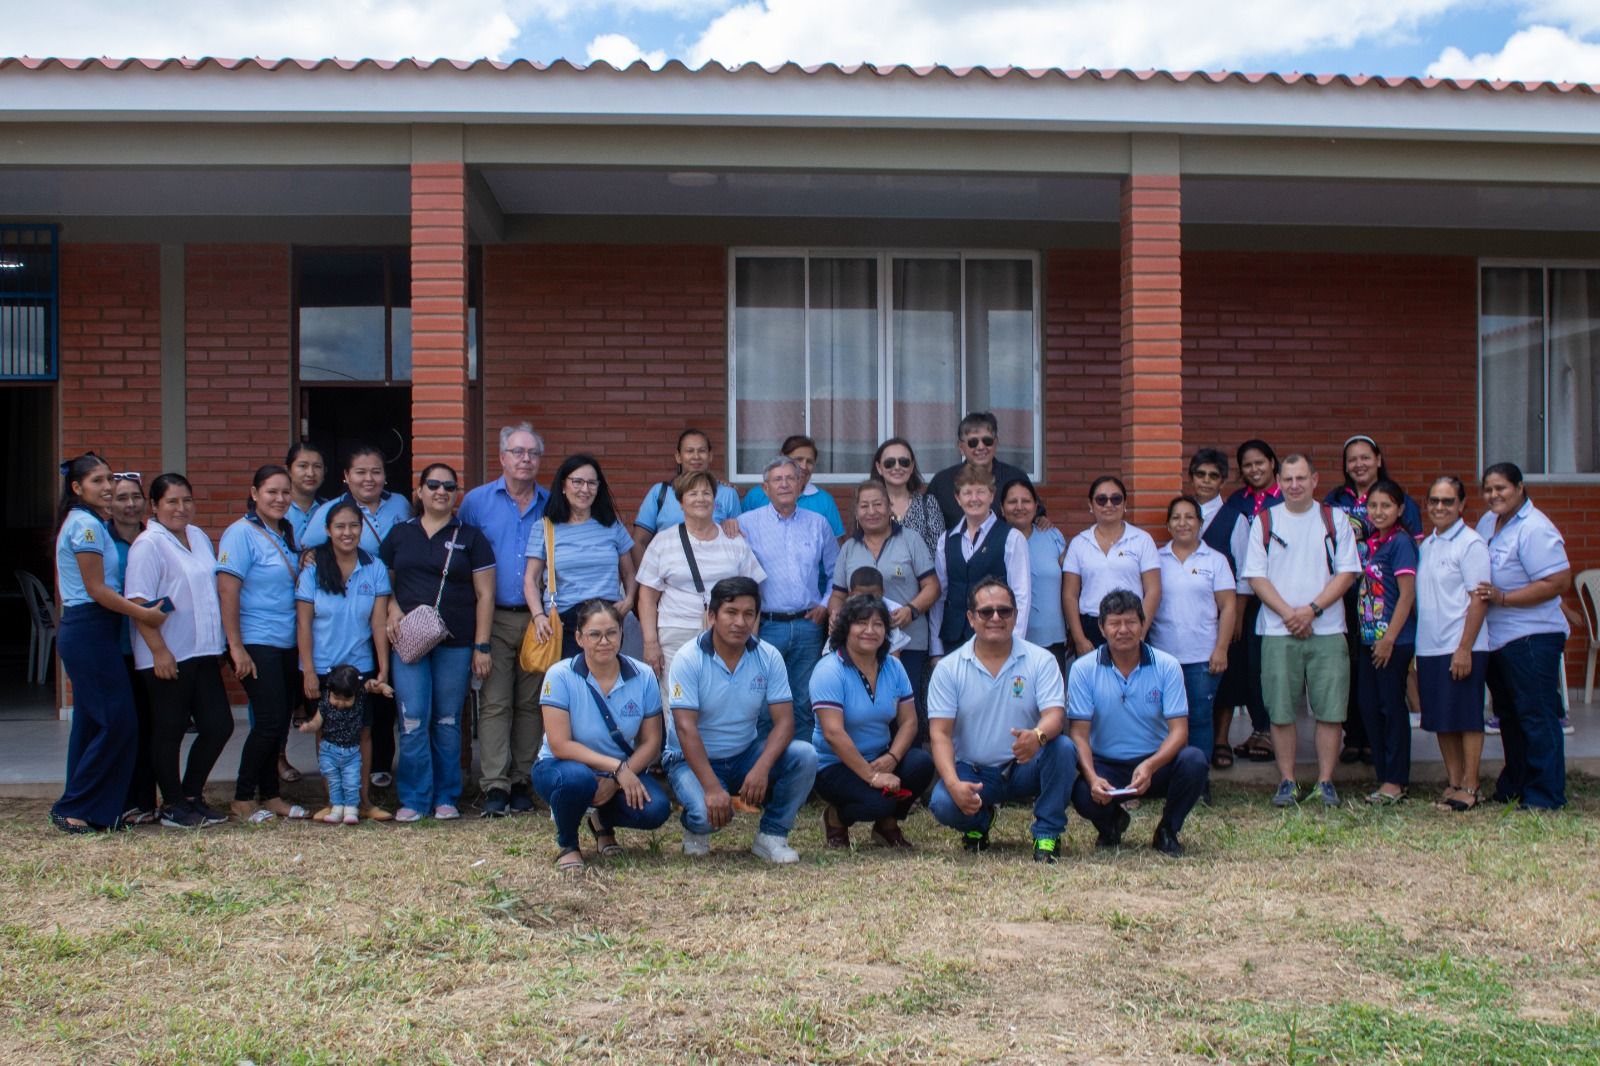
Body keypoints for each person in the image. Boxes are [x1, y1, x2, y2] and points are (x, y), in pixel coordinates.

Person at [49, 453, 170, 834]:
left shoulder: (93, 523)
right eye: (98, 481)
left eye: (108, 480)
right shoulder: (85, 525)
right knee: (118, 723)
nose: (106, 487)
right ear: (77, 487)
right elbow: (97, 590)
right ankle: (74, 806)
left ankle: (96, 810)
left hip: (94, 630)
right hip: (90, 628)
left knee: (92, 722)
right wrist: (144, 615)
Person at [663, 576, 818, 863]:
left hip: (744, 753)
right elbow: (685, 728)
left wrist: (761, 768)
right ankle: (695, 830)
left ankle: (772, 836)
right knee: (705, 815)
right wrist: (711, 787)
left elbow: (784, 722)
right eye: (731, 613)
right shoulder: (689, 658)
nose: (740, 622)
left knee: (805, 754)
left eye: (749, 614)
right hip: (691, 759)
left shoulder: (768, 656)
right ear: (712, 616)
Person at [1240, 454, 1361, 808]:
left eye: (1301, 478)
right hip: (1278, 632)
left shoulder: (1334, 519)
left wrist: (1312, 610)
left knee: (1331, 710)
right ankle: (1288, 780)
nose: (1294, 485)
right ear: (1279, 481)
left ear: (1315, 480)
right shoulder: (1264, 521)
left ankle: (1325, 781)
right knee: (1280, 711)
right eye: (1288, 479)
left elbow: (1347, 572)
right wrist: (1289, 614)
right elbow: (1256, 576)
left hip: (1327, 629)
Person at [926, 577, 1076, 863]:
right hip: (974, 772)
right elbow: (940, 735)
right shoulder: (949, 668)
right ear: (971, 618)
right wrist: (954, 783)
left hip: (1024, 766)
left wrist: (1037, 736)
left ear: (1015, 616)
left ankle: (1047, 833)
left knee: (1063, 748)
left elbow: (1055, 716)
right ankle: (979, 821)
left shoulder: (1040, 660)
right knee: (943, 803)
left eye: (1004, 611)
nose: (996, 617)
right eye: (986, 612)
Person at [381, 464, 496, 823]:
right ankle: (414, 798)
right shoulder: (400, 534)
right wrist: (392, 609)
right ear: (419, 491)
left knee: (447, 721)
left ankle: (446, 796)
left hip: (457, 641)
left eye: (449, 486)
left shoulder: (472, 537)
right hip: (409, 640)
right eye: (433, 485)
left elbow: (486, 594)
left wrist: (481, 646)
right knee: (413, 719)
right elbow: (383, 583)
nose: (441, 491)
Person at [126, 473, 234, 829]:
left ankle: (191, 795)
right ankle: (171, 804)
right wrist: (159, 651)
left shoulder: (199, 536)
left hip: (202, 651)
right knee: (168, 730)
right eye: (171, 501)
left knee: (219, 725)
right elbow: (139, 604)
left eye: (186, 500)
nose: (181, 508)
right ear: (154, 507)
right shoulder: (148, 545)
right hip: (167, 654)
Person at [299, 444, 410, 789]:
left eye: (375, 471)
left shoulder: (400, 505)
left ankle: (373, 775)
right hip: (338, 614)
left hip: (386, 604)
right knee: (330, 721)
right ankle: (335, 791)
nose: (369, 478)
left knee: (373, 714)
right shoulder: (331, 511)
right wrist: (311, 560)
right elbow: (308, 547)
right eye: (360, 472)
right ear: (346, 477)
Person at [532, 600, 671, 872]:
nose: (604, 641)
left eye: (612, 633)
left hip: (619, 771)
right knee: (577, 780)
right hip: (562, 767)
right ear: (579, 638)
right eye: (594, 634)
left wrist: (619, 778)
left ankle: (601, 821)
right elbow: (560, 745)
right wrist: (617, 769)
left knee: (657, 809)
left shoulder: (643, 675)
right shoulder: (559, 675)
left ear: (622, 634)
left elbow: (652, 742)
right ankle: (568, 844)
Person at [1068, 590, 1210, 856]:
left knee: (1194, 761)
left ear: (1143, 624)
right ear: (1101, 627)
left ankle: (1168, 829)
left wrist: (1151, 764)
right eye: (1114, 623)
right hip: (1107, 763)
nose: (1123, 630)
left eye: (1131, 622)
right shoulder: (1083, 669)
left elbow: (1180, 732)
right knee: (1081, 791)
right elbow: (1079, 735)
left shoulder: (1167, 665)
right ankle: (1111, 825)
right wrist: (1092, 776)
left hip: (1155, 762)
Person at [457, 421, 551, 817]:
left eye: (532, 453)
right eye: (518, 452)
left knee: (531, 704)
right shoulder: (476, 503)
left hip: (538, 619)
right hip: (491, 616)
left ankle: (521, 781)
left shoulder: (552, 502)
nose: (525, 459)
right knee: (495, 702)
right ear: (502, 458)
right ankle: (494, 784)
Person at [1473, 462, 1572, 811]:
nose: (1494, 495)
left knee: (1536, 715)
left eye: (1501, 488)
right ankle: (1516, 783)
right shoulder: (1488, 522)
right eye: (1488, 489)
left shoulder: (1535, 528)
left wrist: (1504, 598)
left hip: (1532, 637)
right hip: (1498, 638)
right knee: (1510, 716)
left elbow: (1558, 582)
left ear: (1519, 487)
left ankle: (1545, 795)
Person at [217, 465, 308, 822]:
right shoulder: (240, 534)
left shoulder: (284, 532)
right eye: (272, 492)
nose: (280, 499)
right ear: (254, 494)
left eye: (286, 492)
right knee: (268, 721)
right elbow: (227, 590)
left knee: (279, 721)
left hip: (285, 643)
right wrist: (235, 646)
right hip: (256, 642)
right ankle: (242, 798)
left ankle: (271, 795)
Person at [1326, 435, 1423, 766]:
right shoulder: (1336, 500)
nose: (1358, 464)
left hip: (1389, 617)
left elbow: (1407, 585)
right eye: (1351, 459)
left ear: (1379, 459)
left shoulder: (1401, 528)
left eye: (1365, 457)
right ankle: (1360, 742)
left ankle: (1390, 767)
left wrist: (1391, 636)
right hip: (1352, 607)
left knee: (1387, 696)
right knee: (1358, 682)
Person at [295, 498, 393, 822]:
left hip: (360, 666)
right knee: (327, 734)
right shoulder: (313, 569)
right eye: (340, 526)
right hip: (322, 666)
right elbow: (304, 623)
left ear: (361, 529)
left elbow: (378, 622)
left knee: (362, 734)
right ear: (328, 530)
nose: (347, 532)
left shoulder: (374, 567)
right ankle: (332, 801)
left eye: (353, 526)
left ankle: (362, 801)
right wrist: (308, 670)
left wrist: (383, 669)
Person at [812, 595, 935, 849]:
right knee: (878, 801)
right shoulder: (828, 670)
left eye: (878, 624)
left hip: (880, 756)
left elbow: (910, 721)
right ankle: (835, 817)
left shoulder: (893, 666)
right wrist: (872, 777)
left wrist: (892, 758)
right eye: (861, 623)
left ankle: (886, 825)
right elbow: (833, 733)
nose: (870, 630)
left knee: (921, 764)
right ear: (846, 627)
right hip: (834, 765)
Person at [736, 455, 840, 750]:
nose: (784, 484)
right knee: (764, 702)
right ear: (765, 488)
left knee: (804, 701)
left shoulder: (818, 524)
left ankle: (802, 769)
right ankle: (765, 772)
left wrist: (824, 604)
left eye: (790, 478)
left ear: (801, 483)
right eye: (777, 480)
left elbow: (836, 573)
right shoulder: (746, 524)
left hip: (808, 625)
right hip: (766, 626)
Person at [636, 468, 766, 695]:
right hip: (676, 632)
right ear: (681, 502)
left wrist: (750, 638)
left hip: (726, 632)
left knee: (722, 697)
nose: (700, 499)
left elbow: (754, 593)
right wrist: (650, 642)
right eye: (693, 494)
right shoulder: (663, 542)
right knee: (677, 699)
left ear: (714, 501)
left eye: (706, 493)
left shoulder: (733, 540)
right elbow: (646, 597)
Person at [1203, 439, 1284, 766]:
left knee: (1269, 666)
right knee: (1248, 665)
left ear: (1272, 462)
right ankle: (1259, 727)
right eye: (1247, 465)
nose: (1254, 470)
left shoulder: (1286, 498)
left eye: (1259, 463)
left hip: (1281, 594)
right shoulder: (1237, 503)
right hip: (1246, 598)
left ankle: (1268, 728)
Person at [828, 480, 938, 713]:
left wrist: (911, 609)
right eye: (864, 506)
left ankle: (907, 750)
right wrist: (835, 613)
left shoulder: (911, 540)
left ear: (889, 507)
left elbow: (932, 586)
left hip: (909, 640)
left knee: (906, 708)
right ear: (856, 512)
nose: (871, 511)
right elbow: (837, 594)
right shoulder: (849, 548)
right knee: (868, 708)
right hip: (862, 643)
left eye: (878, 504)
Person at [1416, 476, 1491, 812]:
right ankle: (1455, 781)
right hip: (1430, 646)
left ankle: (1472, 785)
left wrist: (1464, 648)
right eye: (1434, 501)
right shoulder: (1426, 545)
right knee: (1441, 719)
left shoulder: (1471, 544)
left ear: (1461, 505)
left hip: (1462, 645)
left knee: (1466, 717)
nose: (1440, 507)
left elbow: (1479, 600)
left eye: (1448, 501)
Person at [1149, 496, 1236, 771]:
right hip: (1163, 656)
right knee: (1162, 718)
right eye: (1176, 517)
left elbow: (1228, 606)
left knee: (1199, 718)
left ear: (1200, 523)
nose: (1182, 523)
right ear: (1168, 524)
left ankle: (1198, 781)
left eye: (1189, 517)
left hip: (1202, 656)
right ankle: (1168, 777)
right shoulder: (1156, 559)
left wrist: (1221, 648)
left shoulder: (1215, 560)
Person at [525, 453, 637, 660]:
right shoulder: (544, 528)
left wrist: (629, 600)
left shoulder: (612, 525)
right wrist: (538, 616)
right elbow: (531, 579)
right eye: (577, 482)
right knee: (571, 684)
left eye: (592, 483)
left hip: (608, 619)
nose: (585, 489)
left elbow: (630, 572)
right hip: (564, 623)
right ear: (563, 485)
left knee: (606, 682)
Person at [1354, 480, 1418, 804]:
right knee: (1369, 706)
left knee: (1391, 708)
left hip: (1392, 640)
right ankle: (1384, 776)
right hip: (1369, 639)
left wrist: (1389, 639)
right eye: (1373, 506)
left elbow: (1407, 595)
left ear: (1400, 509)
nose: (1378, 512)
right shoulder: (1373, 543)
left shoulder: (1401, 543)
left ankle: (1396, 780)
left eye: (1386, 506)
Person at [931, 464, 1030, 655]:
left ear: (991, 496)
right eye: (967, 493)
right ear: (958, 498)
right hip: (954, 641)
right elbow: (940, 597)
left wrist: (1015, 645)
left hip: (997, 638)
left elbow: (1021, 595)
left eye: (981, 492)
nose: (974, 499)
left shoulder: (1012, 538)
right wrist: (936, 649)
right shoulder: (946, 540)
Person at [108, 471, 158, 826]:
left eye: (135, 497)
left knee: (149, 725)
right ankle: (118, 799)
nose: (129, 505)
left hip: (149, 647)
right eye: (120, 497)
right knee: (120, 726)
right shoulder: (102, 543)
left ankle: (144, 800)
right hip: (115, 646)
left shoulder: (153, 539)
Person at [1062, 476, 1160, 655]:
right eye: (1101, 499)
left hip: (1130, 625)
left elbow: (1153, 590)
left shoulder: (1142, 540)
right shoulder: (1079, 543)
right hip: (1091, 626)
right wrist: (1079, 638)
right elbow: (1070, 594)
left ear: (1125, 504)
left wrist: (1141, 631)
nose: (1109, 504)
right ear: (1091, 505)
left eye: (1116, 499)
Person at [630, 428, 743, 566]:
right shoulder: (660, 492)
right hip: (668, 578)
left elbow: (738, 542)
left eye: (702, 451)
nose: (696, 456)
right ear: (678, 456)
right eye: (689, 451)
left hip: (716, 576)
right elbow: (638, 542)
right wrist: (649, 581)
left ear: (710, 456)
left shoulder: (727, 494)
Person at [1002, 477, 1069, 673]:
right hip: (1007, 640)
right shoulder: (996, 539)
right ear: (1001, 507)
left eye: (1026, 501)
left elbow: (1070, 585)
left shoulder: (1052, 536)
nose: (1019, 507)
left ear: (1036, 505)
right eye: (1012, 502)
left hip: (1052, 638)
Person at [927, 411, 1036, 529]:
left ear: (996, 442)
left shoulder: (1016, 477)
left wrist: (1042, 520)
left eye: (987, 441)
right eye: (973, 442)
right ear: (960, 447)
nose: (981, 447)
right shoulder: (942, 483)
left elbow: (1036, 515)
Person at [297, 664, 375, 826]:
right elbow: (317, 722)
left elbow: (370, 685)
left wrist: (382, 687)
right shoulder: (325, 704)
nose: (340, 703)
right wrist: (309, 726)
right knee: (334, 781)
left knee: (352, 781)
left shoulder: (360, 698)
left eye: (347, 699)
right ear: (329, 691)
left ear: (355, 693)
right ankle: (337, 809)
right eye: (336, 698)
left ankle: (352, 809)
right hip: (329, 751)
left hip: (352, 751)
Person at [740, 433, 846, 537]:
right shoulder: (756, 496)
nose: (804, 466)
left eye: (809, 462)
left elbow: (836, 546)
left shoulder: (824, 500)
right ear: (782, 457)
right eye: (798, 460)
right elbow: (738, 533)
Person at [872, 437, 946, 557]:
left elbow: (939, 552)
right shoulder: (869, 505)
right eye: (889, 463)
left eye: (904, 462)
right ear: (879, 467)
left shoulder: (928, 504)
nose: (897, 467)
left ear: (912, 467)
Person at [284, 441, 328, 546]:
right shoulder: (277, 507)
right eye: (303, 466)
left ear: (325, 471)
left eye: (317, 466)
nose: (310, 473)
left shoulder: (330, 508)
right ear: (288, 470)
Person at [1187, 449, 1229, 536]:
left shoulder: (1236, 520)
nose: (1206, 480)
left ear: (1222, 482)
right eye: (1200, 474)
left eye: (1213, 476)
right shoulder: (1180, 513)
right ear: (1191, 479)